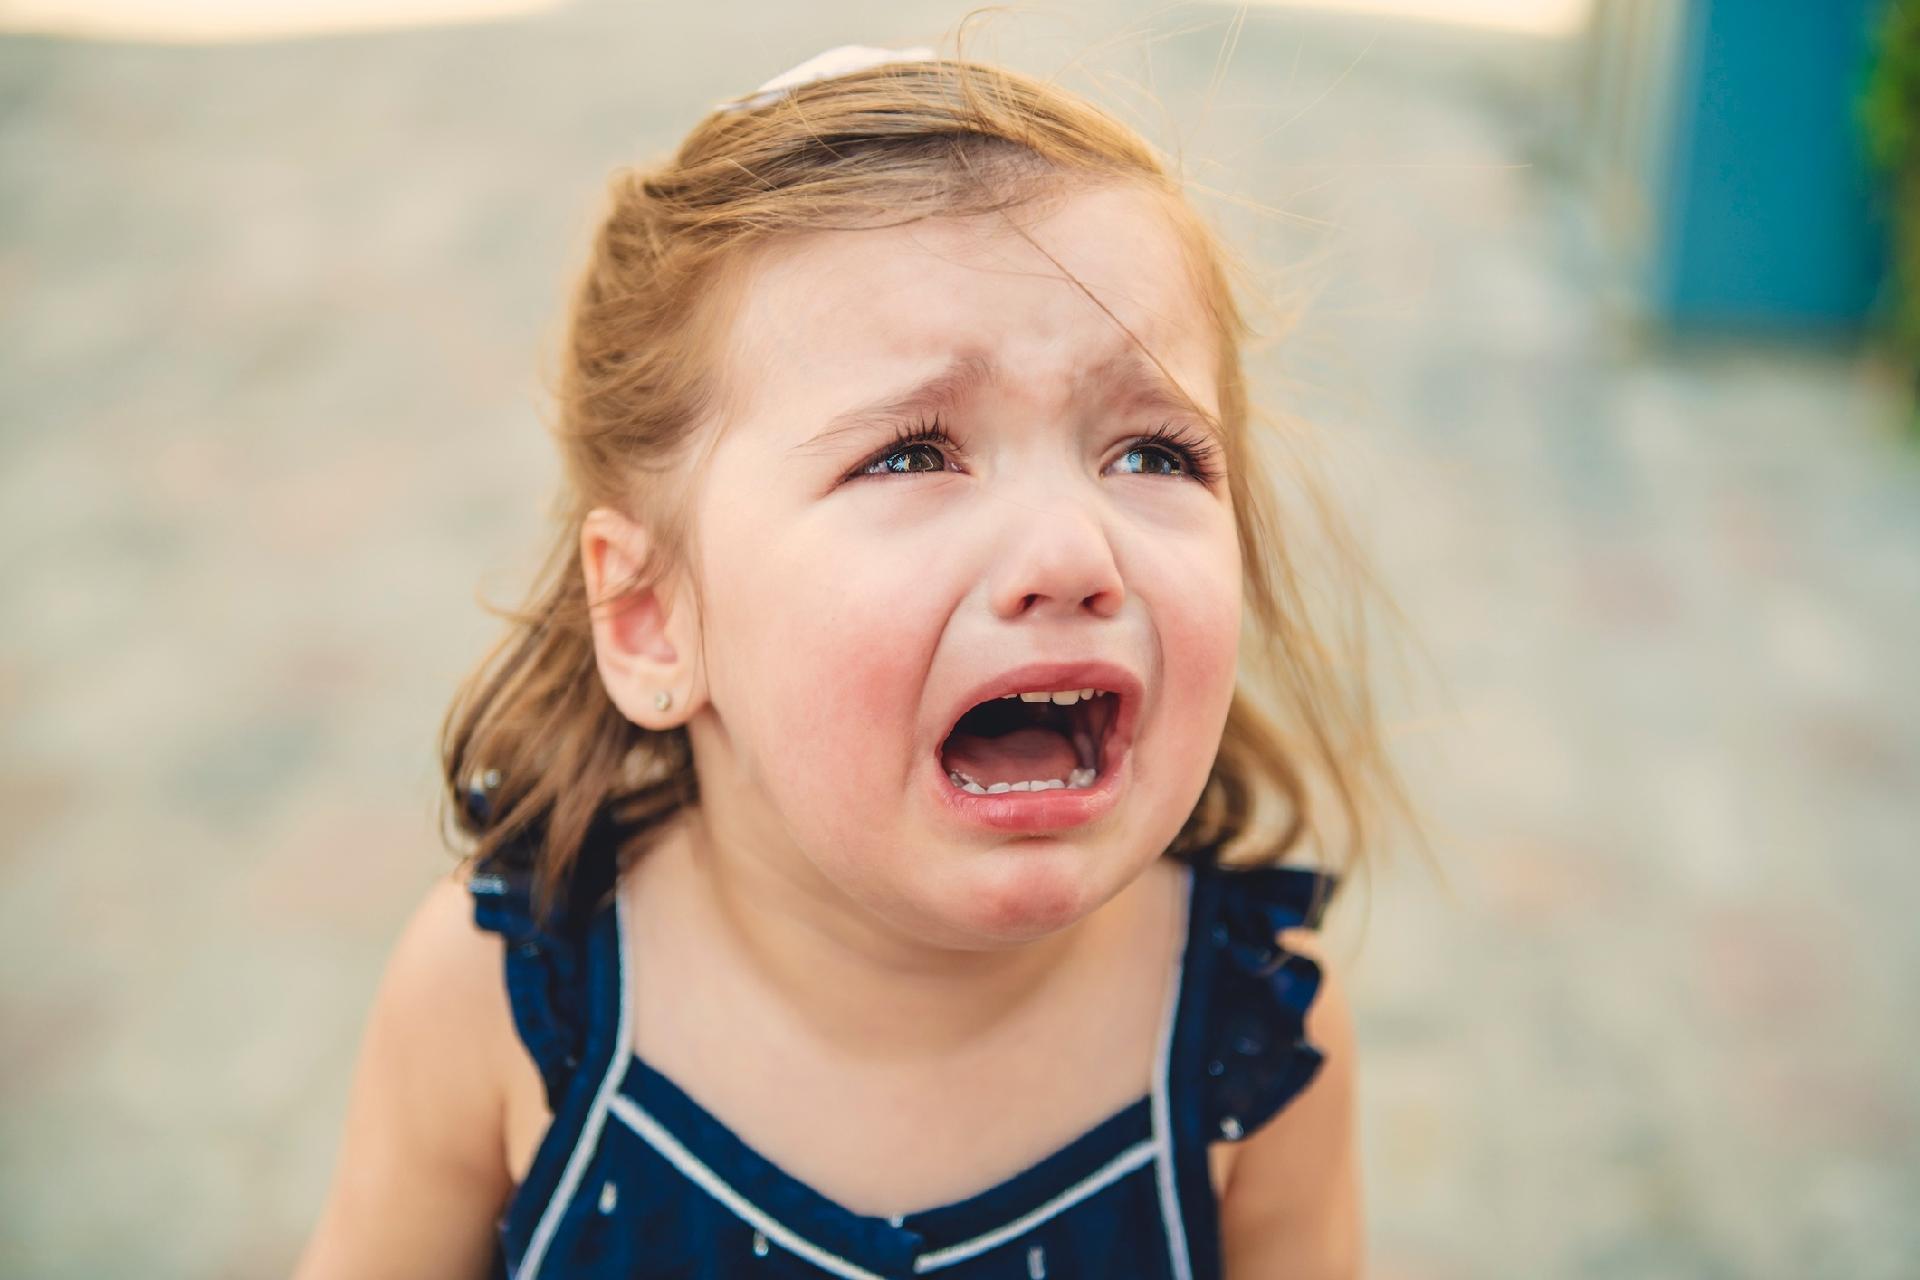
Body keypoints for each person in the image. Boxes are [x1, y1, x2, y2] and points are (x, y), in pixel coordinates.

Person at [295, 37, 1405, 1280]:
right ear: (657, 616)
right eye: (915, 453)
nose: (1071, 548)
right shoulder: (499, 1002)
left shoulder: (1252, 1042)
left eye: (1152, 454)